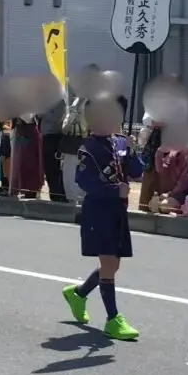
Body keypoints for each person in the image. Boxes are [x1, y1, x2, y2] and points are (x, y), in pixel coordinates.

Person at [60, 96, 142, 341]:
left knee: (113, 265)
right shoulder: (88, 148)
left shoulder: (119, 143)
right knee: (108, 264)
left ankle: (78, 293)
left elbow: (137, 171)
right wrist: (114, 190)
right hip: (99, 211)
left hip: (118, 210)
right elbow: (84, 181)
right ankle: (113, 319)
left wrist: (132, 149)